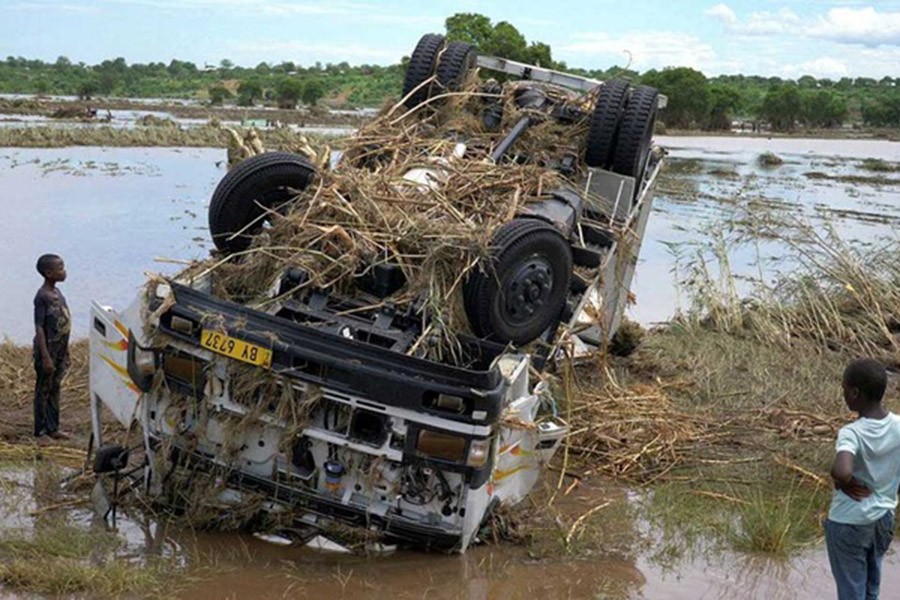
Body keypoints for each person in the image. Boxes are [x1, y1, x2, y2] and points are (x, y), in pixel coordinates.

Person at [825, 358, 900, 600]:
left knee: (851, 590)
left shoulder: (851, 432)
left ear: (855, 393)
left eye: (844, 389)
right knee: (871, 588)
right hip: (884, 518)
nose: (844, 394)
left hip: (848, 521)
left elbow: (842, 470)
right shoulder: (898, 426)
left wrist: (842, 481)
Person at [33, 254, 71, 440]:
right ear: (49, 273)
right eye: (61, 268)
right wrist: (46, 356)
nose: (64, 271)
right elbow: (39, 327)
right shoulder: (42, 297)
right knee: (43, 389)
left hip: (59, 350)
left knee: (55, 387)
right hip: (47, 351)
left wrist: (66, 351)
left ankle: (53, 427)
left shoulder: (57, 293)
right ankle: (40, 431)